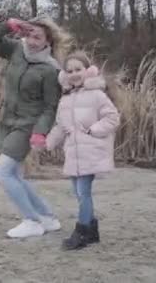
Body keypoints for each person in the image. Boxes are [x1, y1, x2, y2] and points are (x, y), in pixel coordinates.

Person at [0, 16, 71, 238]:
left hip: (27, 126)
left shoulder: (51, 70)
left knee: (2, 171)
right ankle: (47, 218)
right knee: (15, 174)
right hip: (7, 122)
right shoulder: (16, 50)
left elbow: (51, 106)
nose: (32, 41)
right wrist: (8, 25)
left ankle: (31, 221)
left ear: (47, 42)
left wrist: (40, 131)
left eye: (38, 37)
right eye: (29, 35)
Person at [45, 51, 120, 250]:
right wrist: (48, 142)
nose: (74, 74)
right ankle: (92, 231)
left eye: (78, 69)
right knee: (79, 194)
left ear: (88, 71)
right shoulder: (66, 99)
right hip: (74, 154)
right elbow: (61, 126)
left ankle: (81, 233)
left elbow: (112, 118)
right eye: (69, 71)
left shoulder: (97, 95)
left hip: (92, 151)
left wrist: (92, 130)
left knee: (83, 192)